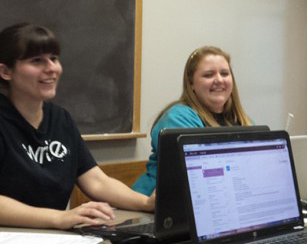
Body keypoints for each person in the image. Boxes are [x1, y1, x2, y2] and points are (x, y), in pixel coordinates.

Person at [0, 23, 155, 230]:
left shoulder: (60, 119)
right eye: (37, 61)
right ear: (5, 71)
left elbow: (96, 181)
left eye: (54, 59)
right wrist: (59, 218)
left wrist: (146, 203)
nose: (51, 68)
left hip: (51, 240)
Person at [132, 46, 252, 196]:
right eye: (209, 75)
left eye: (225, 73)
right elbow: (204, 176)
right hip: (153, 206)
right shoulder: (177, 118)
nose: (219, 80)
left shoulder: (241, 120)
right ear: (191, 84)